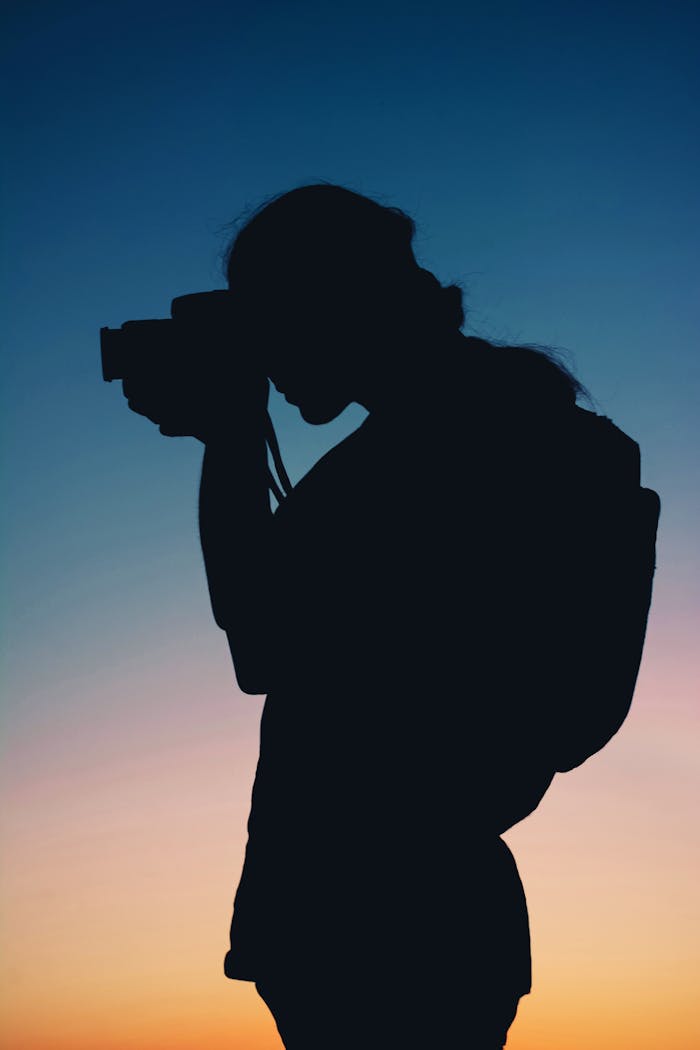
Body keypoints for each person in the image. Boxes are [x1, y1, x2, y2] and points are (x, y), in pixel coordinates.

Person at [123, 183, 592, 1048]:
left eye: (267, 324)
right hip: (418, 914)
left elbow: (262, 644)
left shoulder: (439, 445)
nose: (261, 356)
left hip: (378, 921)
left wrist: (230, 439)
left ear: (326, 310)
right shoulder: (463, 424)